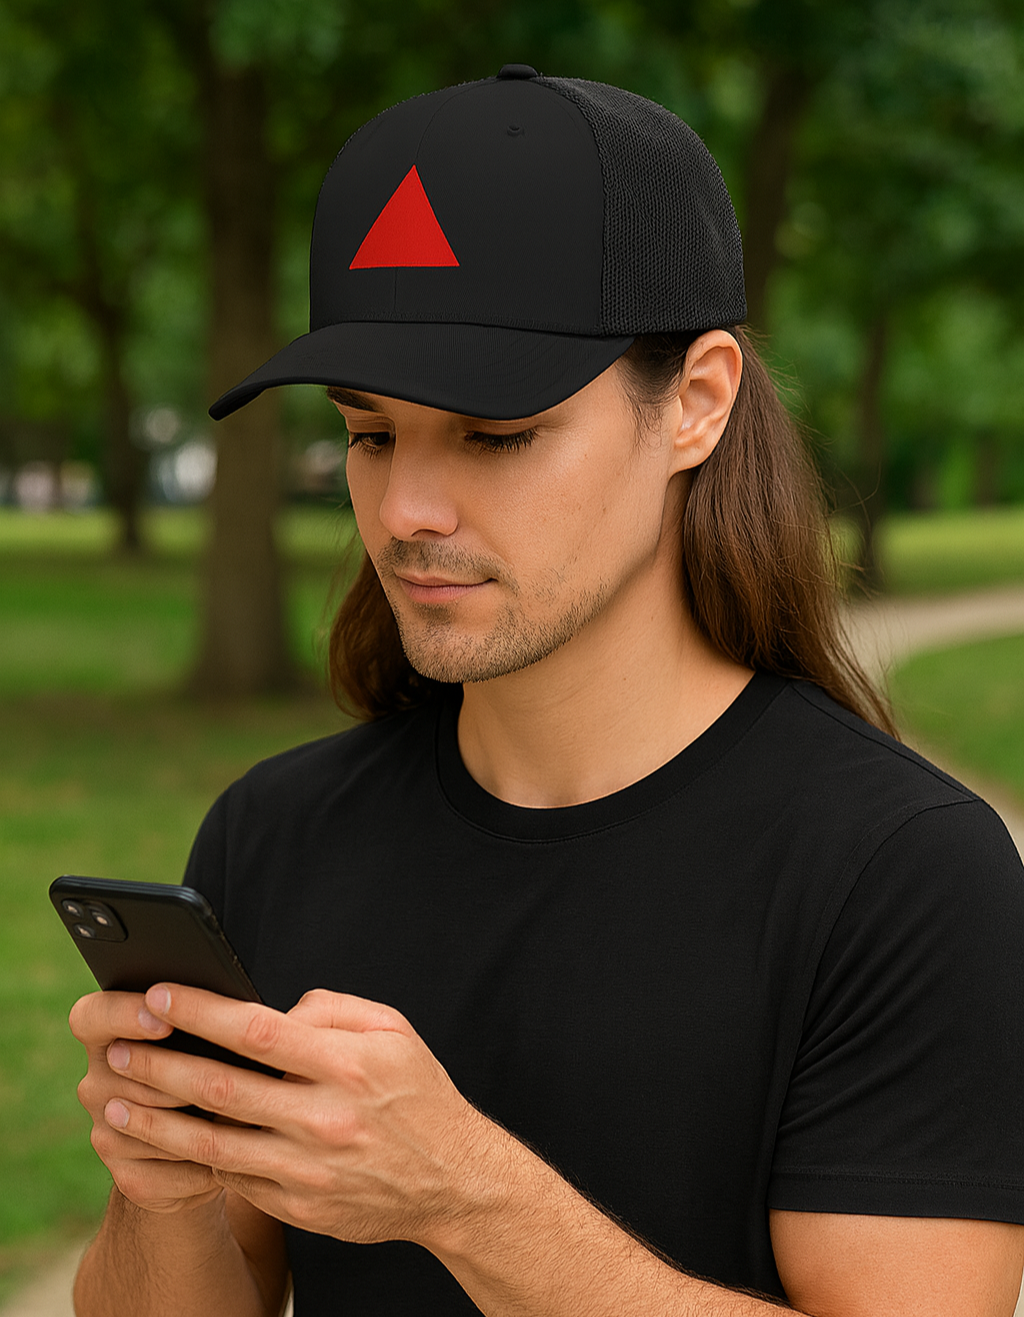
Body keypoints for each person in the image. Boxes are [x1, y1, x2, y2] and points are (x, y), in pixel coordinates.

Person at [68, 65, 1024, 1317]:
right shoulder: (276, 833)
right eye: (368, 434)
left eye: (494, 434)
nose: (405, 511)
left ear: (696, 402)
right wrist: (168, 1188)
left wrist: (462, 1197)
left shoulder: (900, 874)